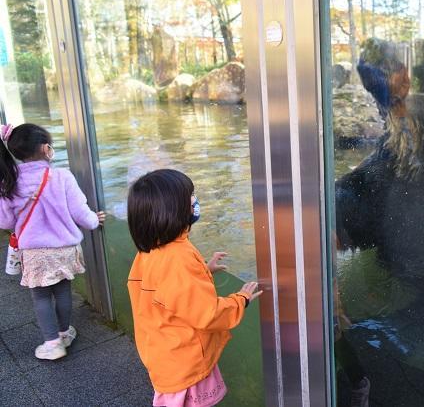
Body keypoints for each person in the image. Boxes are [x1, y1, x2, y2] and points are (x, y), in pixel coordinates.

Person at [126, 169, 262, 407]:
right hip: (184, 362)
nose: (194, 201)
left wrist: (204, 270)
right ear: (172, 209)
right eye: (190, 196)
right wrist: (241, 299)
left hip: (163, 355)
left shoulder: (150, 250)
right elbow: (207, 314)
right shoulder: (178, 257)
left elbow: (167, 292)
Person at [0, 123, 106, 360]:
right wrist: (93, 221)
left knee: (40, 297)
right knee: (62, 291)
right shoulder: (61, 176)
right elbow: (80, 212)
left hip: (35, 253)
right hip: (64, 249)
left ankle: (52, 343)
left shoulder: (11, 181)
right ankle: (64, 332)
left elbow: (5, 221)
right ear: (46, 149)